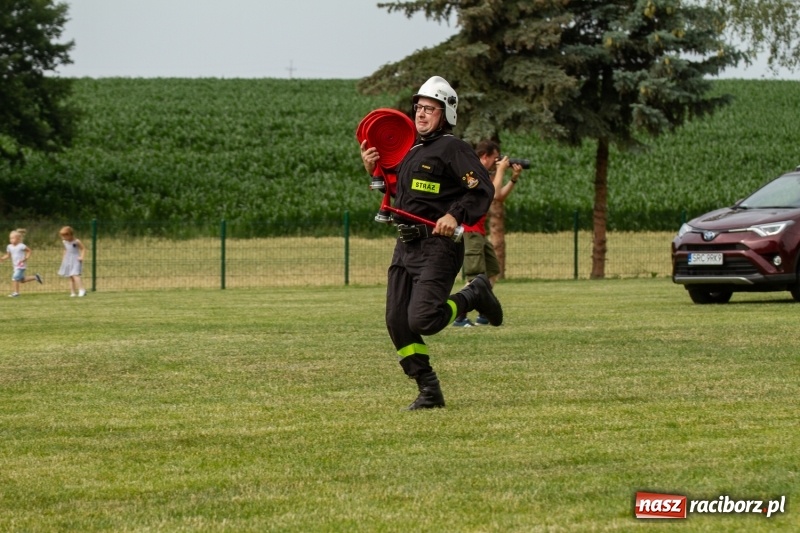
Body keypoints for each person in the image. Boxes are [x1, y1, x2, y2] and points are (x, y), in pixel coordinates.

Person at [359, 75, 503, 410]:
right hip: (405, 246)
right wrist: (373, 170)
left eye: (430, 109)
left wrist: (454, 215)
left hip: (438, 247)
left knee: (423, 319)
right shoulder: (411, 150)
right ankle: (429, 390)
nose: (421, 114)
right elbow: (398, 192)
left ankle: (474, 294)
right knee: (397, 321)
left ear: (446, 113)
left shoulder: (454, 149)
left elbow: (481, 190)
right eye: (419, 108)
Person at [453, 140, 523, 326]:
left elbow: (499, 197)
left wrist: (513, 178)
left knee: (492, 272)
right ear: (484, 157)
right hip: (469, 231)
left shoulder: (485, 175)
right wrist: (501, 170)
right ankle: (460, 316)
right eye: (495, 158)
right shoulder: (472, 173)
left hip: (479, 232)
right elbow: (493, 193)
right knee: (475, 277)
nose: (496, 162)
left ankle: (483, 312)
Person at [0, 229, 43, 297]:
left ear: (18, 239)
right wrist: (2, 258)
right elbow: (8, 255)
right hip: (15, 266)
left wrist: (26, 258)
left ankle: (16, 293)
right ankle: (36, 277)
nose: (11, 240)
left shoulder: (21, 246)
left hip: (21, 266)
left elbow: (29, 251)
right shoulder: (9, 246)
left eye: (13, 238)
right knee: (22, 280)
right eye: (10, 238)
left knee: (15, 278)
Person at [57, 226, 87, 297]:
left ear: (70, 234)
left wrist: (81, 257)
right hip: (68, 260)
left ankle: (81, 289)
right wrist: (64, 258)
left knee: (75, 274)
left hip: (76, 259)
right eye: (62, 236)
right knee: (70, 276)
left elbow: (83, 249)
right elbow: (66, 249)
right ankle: (73, 292)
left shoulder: (76, 241)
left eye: (65, 235)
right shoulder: (64, 242)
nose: (64, 237)